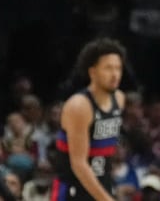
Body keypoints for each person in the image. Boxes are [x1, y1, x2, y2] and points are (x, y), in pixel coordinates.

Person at [52, 37, 126, 201]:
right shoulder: (79, 106)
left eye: (118, 68)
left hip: (103, 183)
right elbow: (79, 164)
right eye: (108, 68)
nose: (115, 74)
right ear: (92, 71)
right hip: (73, 189)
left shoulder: (119, 99)